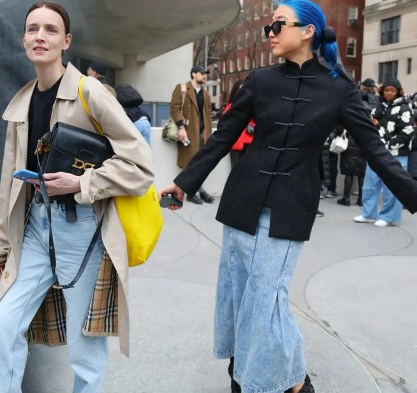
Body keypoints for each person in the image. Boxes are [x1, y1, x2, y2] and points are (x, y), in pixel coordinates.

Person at [158, 1, 417, 392]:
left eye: (279, 25)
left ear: (308, 31)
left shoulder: (340, 89)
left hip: (291, 205)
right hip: (243, 198)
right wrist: (185, 181)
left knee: (267, 294)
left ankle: (287, 383)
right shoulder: (259, 80)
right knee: (240, 291)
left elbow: (376, 152)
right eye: (270, 27)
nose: (271, 33)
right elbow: (223, 135)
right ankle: (254, 371)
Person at [0, 2, 153, 392]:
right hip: (37, 229)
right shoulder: (22, 100)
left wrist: (81, 185)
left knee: (83, 351)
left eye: (50, 30)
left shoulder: (90, 93)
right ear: (23, 39)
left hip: (83, 232)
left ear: (66, 41)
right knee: (2, 326)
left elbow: (140, 165)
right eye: (33, 29)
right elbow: (9, 182)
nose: (40, 36)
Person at [354, 78, 414, 227]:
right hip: (377, 152)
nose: (389, 93)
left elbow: (407, 132)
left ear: (398, 92)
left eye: (392, 90)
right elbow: (370, 125)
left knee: (392, 187)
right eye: (386, 90)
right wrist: (373, 123)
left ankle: (389, 217)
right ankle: (368, 214)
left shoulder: (405, 108)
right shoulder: (379, 107)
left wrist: (387, 145)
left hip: (396, 153)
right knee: (370, 185)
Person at [169, 64, 215, 205]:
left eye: (205, 74)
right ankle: (194, 191)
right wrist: (181, 127)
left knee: (201, 163)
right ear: (194, 74)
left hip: (203, 135)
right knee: (190, 164)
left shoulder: (205, 94)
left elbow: (207, 115)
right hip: (188, 133)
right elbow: (175, 109)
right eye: (202, 73)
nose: (205, 76)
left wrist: (208, 133)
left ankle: (197, 190)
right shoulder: (182, 88)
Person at [225, 80, 254, 168]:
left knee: (249, 170)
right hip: (237, 143)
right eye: (241, 88)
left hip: (250, 141)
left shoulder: (253, 105)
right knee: (235, 170)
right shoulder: (230, 107)